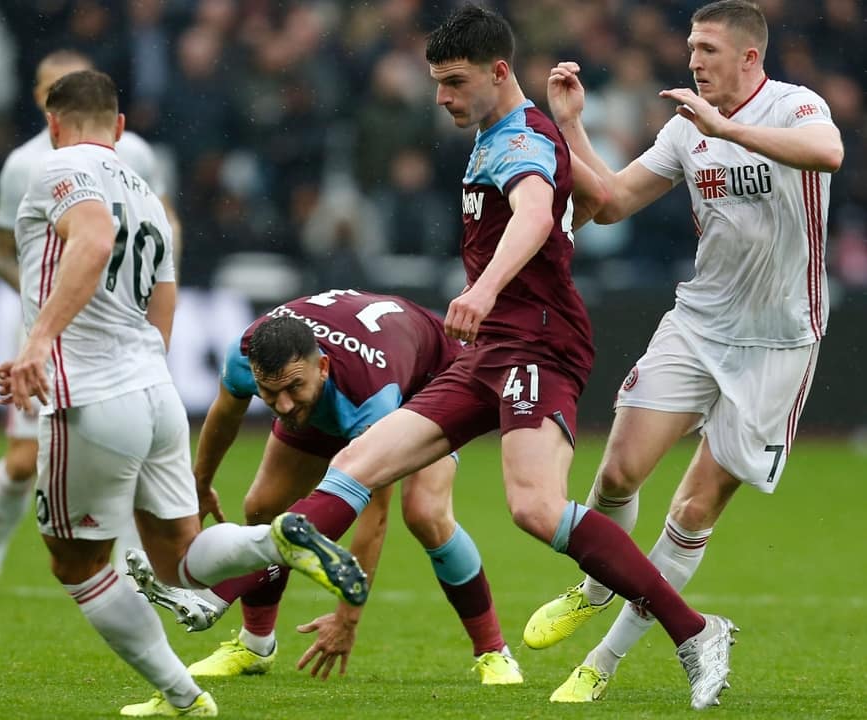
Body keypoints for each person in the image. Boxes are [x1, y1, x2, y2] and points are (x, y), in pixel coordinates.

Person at [213, 5, 738, 711]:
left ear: (498, 71)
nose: (442, 97)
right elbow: (603, 201)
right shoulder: (513, 133)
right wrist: (573, 131)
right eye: (436, 82)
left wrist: (485, 288)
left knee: (534, 507)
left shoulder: (519, 138)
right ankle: (223, 588)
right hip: (491, 349)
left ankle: (696, 630)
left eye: (454, 82)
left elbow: (529, 214)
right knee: (355, 464)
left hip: (537, 344)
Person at [0, 69, 366, 717]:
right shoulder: (146, 192)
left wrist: (35, 345)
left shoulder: (54, 168)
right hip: (154, 392)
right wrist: (141, 372)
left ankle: (183, 696)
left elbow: (91, 240)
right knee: (179, 561)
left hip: (88, 395)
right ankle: (280, 539)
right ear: (119, 126)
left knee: (75, 564)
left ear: (54, 124)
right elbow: (162, 294)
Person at [524, 0, 842, 703]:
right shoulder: (685, 127)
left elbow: (830, 155)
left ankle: (602, 664)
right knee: (616, 473)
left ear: (749, 58)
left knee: (693, 512)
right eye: (691, 47)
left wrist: (728, 129)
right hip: (698, 323)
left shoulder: (796, 106)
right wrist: (572, 125)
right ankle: (595, 586)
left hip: (779, 341)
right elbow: (607, 203)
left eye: (707, 49)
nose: (693, 60)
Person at [129, 289, 522, 684]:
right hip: (340, 385)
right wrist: (201, 485)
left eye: (292, 389)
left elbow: (374, 516)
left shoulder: (370, 399)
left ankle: (493, 651)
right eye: (270, 393)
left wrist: (346, 618)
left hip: (428, 378)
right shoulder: (245, 355)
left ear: (323, 367)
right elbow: (225, 415)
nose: (282, 405)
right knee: (263, 507)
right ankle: (255, 644)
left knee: (425, 514)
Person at [0, 50, 171, 599]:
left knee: (127, 447)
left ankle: (136, 576)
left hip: (118, 335)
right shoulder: (24, 166)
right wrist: (53, 307)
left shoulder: (136, 156)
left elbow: (162, 224)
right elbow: (4, 253)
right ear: (41, 98)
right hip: (46, 328)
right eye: (51, 84)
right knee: (20, 462)